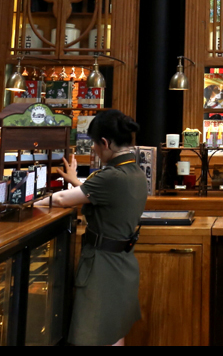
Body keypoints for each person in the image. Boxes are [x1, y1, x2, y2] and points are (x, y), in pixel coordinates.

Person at [35, 109, 147, 346]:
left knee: (94, 334)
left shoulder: (112, 176)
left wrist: (25, 205)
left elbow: (62, 199)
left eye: (95, 144)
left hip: (102, 265)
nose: (94, 149)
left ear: (105, 143)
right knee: (114, 331)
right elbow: (104, 194)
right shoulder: (134, 172)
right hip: (123, 262)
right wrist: (76, 181)